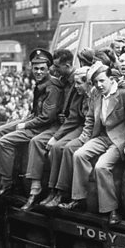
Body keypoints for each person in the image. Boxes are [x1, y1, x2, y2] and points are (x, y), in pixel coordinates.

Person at [58, 65, 125, 226]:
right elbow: (90, 120)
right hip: (101, 136)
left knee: (101, 166)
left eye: (102, 81)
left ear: (111, 79)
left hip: (118, 139)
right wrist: (84, 139)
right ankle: (78, 199)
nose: (99, 85)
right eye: (95, 82)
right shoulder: (95, 94)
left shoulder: (124, 95)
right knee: (79, 155)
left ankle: (112, 209)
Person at [0, 49, 62, 198]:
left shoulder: (52, 86)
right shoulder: (40, 84)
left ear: (49, 69)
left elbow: (47, 117)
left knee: (4, 141)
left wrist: (25, 125)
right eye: (36, 68)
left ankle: (7, 182)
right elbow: (36, 112)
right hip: (36, 121)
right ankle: (13, 168)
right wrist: (24, 120)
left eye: (42, 69)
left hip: (45, 127)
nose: (38, 72)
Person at [21, 49, 75, 210]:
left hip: (71, 125)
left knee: (51, 147)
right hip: (64, 122)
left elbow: (77, 114)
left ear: (67, 65)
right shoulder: (63, 79)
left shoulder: (74, 81)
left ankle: (52, 190)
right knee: (38, 142)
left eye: (57, 67)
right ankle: (39, 187)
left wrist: (60, 127)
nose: (53, 70)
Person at [39, 67, 91, 207]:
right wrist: (56, 137)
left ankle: (61, 192)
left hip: (92, 130)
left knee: (68, 148)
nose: (76, 86)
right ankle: (52, 190)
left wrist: (83, 138)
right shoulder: (79, 94)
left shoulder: (96, 94)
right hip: (82, 126)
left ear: (88, 83)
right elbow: (73, 117)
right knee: (56, 147)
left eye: (79, 83)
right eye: (75, 83)